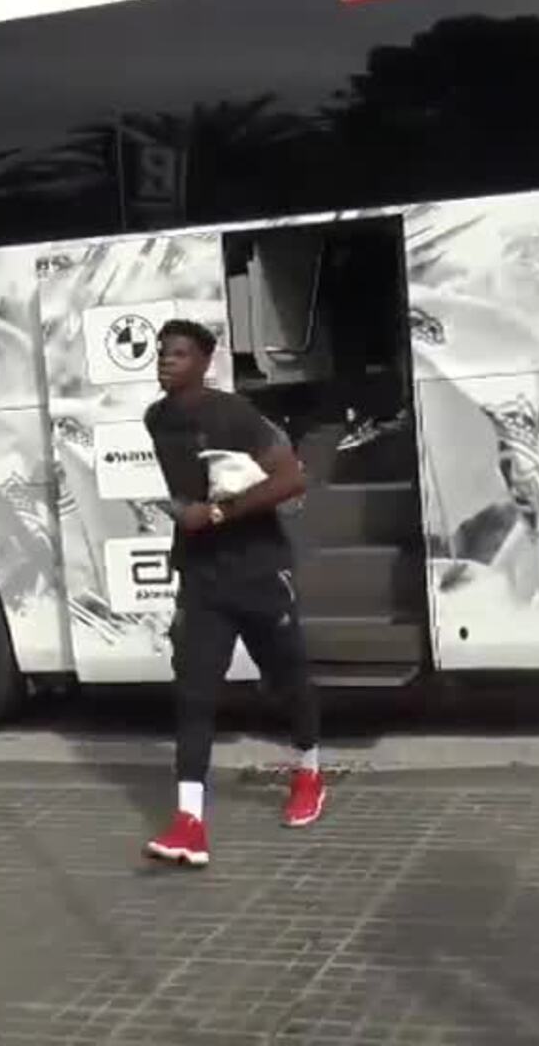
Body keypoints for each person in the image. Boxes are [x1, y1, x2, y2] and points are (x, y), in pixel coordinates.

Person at [141, 319, 324, 868]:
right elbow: (187, 489)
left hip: (259, 570)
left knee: (287, 680)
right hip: (202, 577)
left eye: (178, 353)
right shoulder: (156, 419)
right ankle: (188, 821)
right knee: (194, 694)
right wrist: (182, 517)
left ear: (203, 363)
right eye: (162, 352)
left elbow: (292, 479)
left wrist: (217, 513)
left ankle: (309, 773)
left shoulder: (234, 414)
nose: (165, 360)